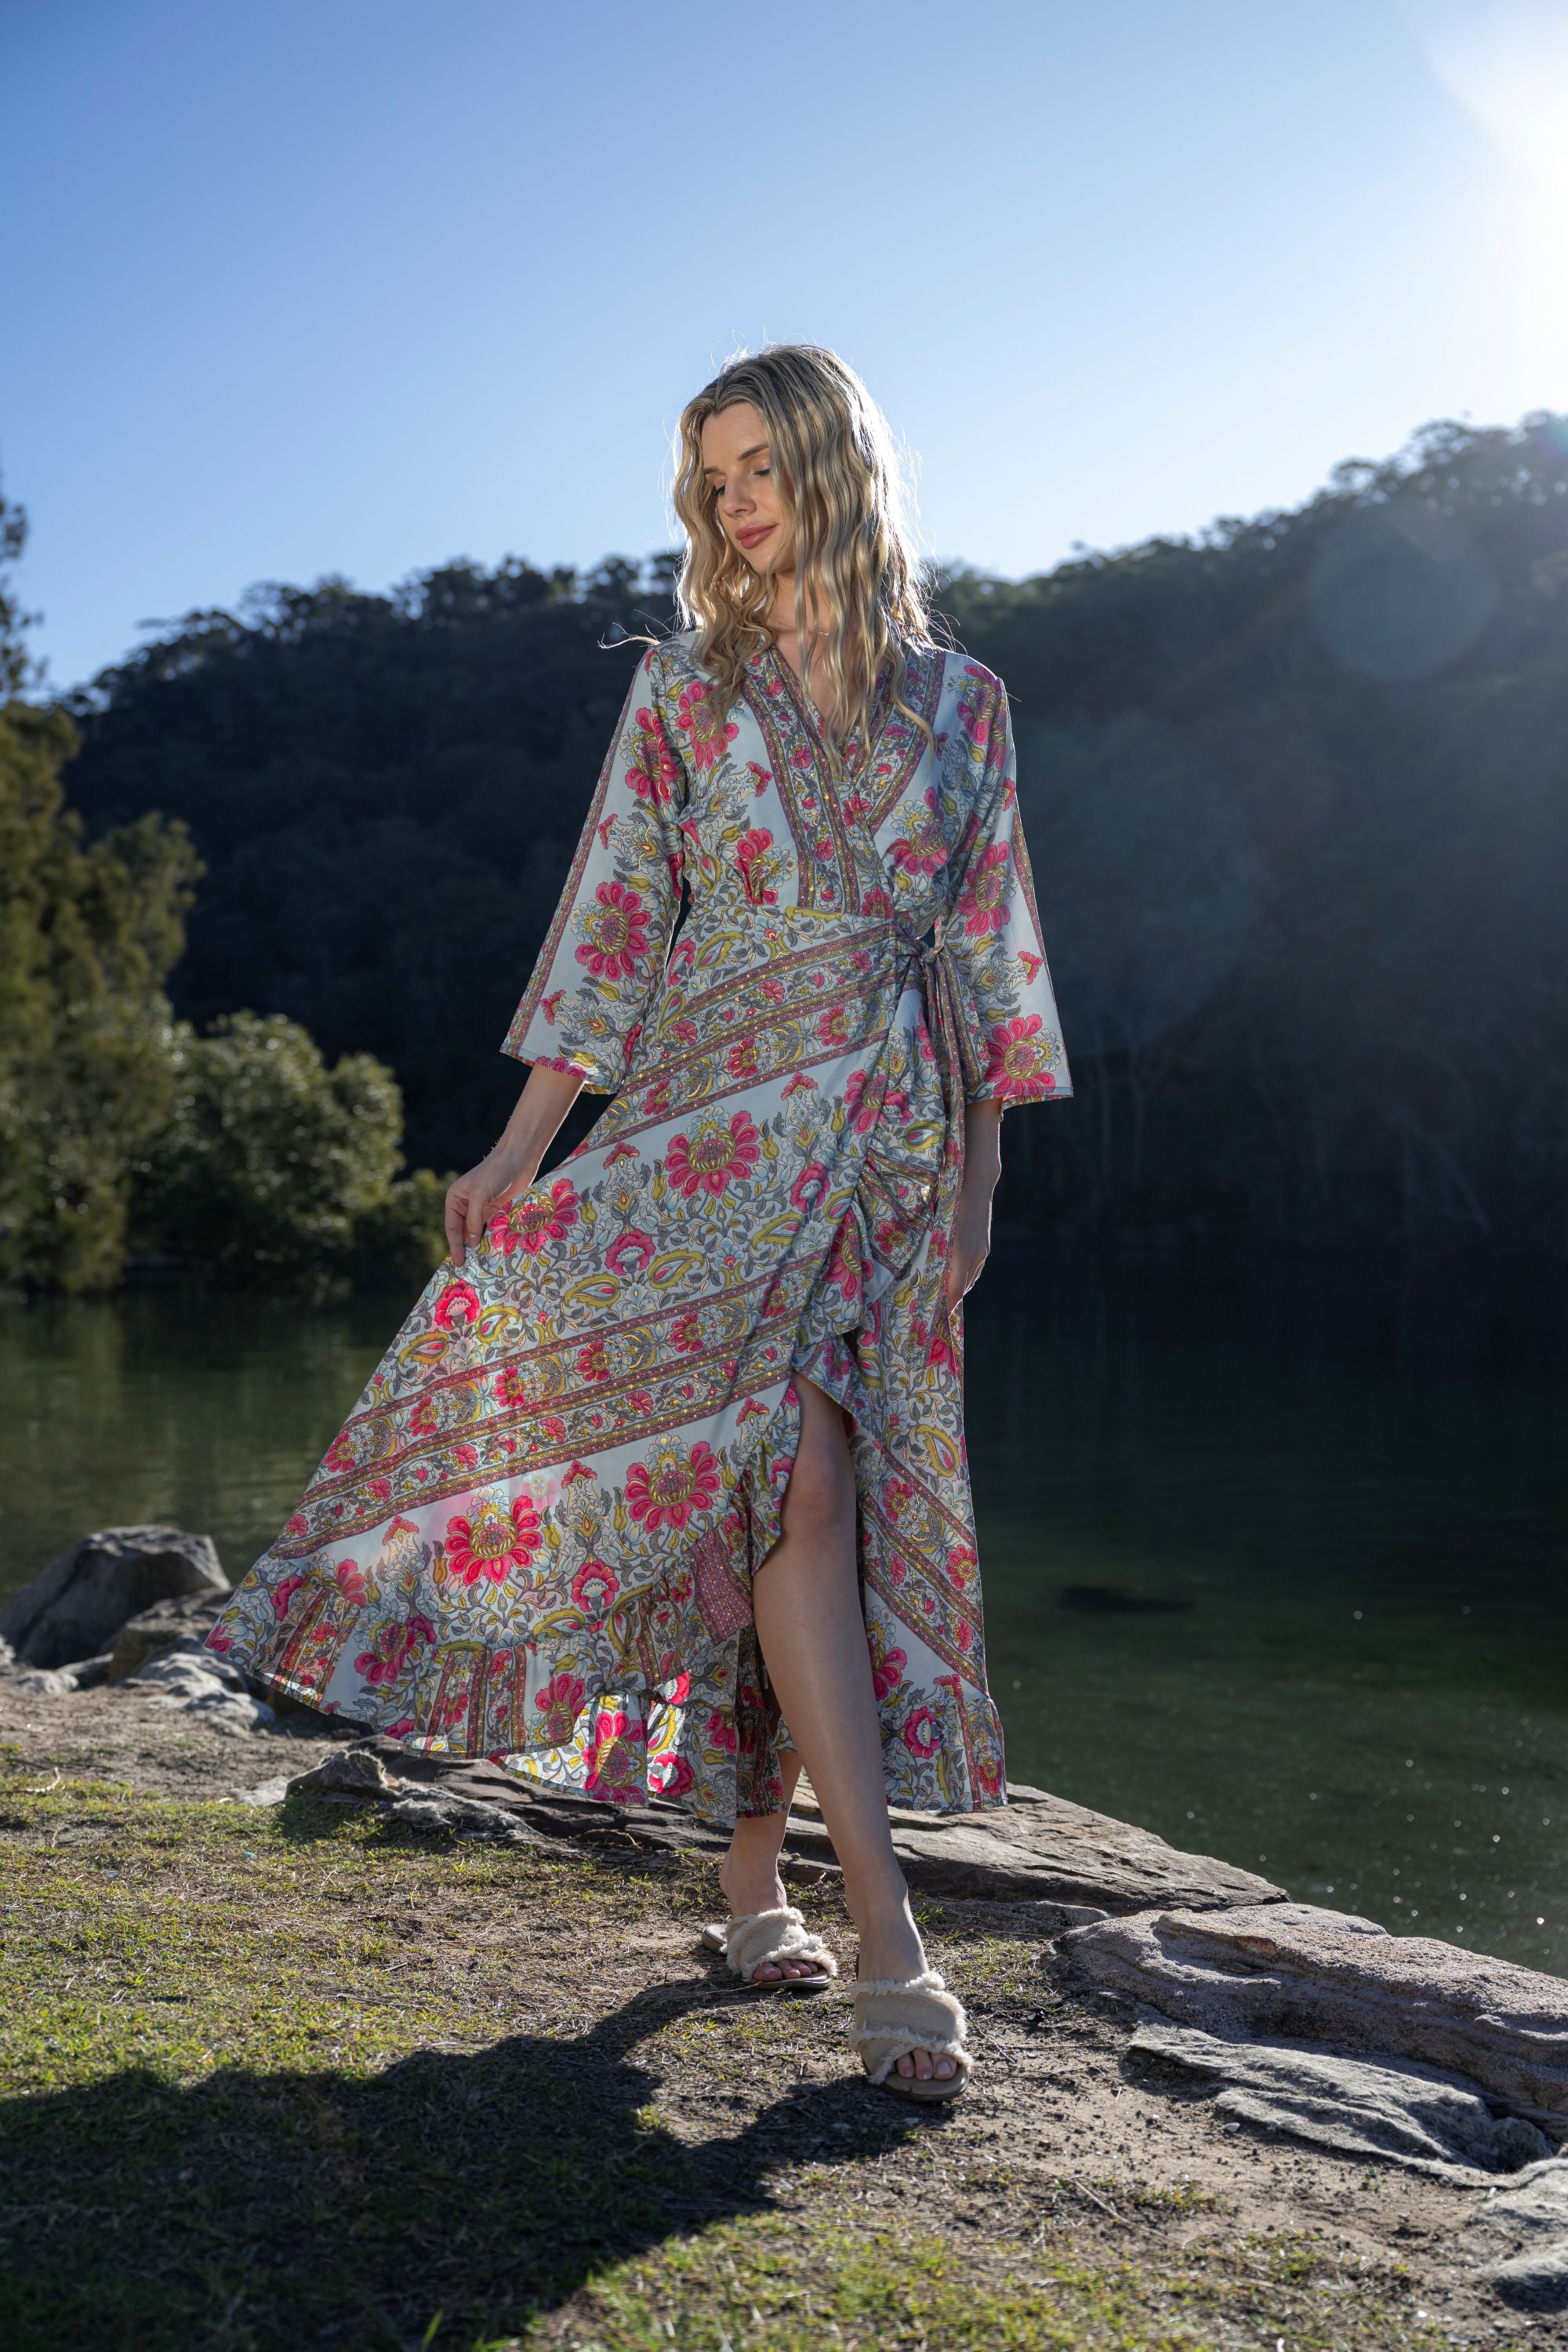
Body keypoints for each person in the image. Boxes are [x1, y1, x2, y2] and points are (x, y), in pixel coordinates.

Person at [208, 344, 1069, 2099]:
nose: (733, 501)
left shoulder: (965, 703)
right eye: (712, 476)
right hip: (709, 1123)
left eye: (760, 465)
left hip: (888, 1141)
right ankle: (888, 1931)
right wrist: (523, 1144)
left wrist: (983, 1176)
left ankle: (755, 1874)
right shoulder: (684, 689)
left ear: (832, 465)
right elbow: (612, 917)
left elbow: (994, 945)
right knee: (785, 1485)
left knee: (815, 1498)